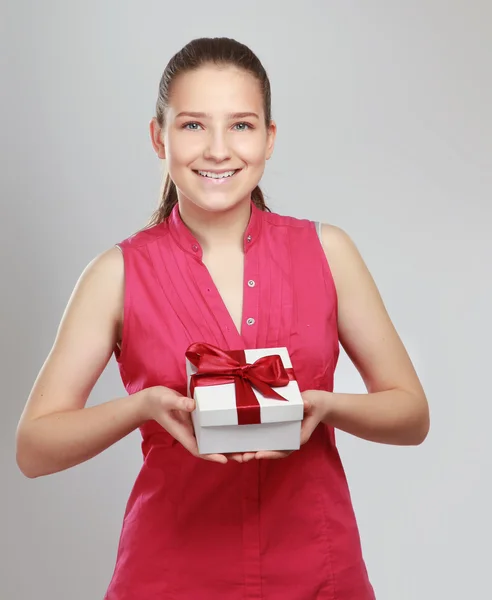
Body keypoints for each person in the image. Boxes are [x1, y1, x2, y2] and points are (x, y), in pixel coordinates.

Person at [16, 37, 430, 599]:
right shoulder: (116, 273)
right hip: (170, 575)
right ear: (158, 137)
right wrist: (144, 407)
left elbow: (411, 414)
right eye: (191, 126)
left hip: (317, 570)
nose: (217, 150)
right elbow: (33, 449)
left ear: (269, 137)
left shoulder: (329, 252)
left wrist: (325, 406)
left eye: (240, 125)